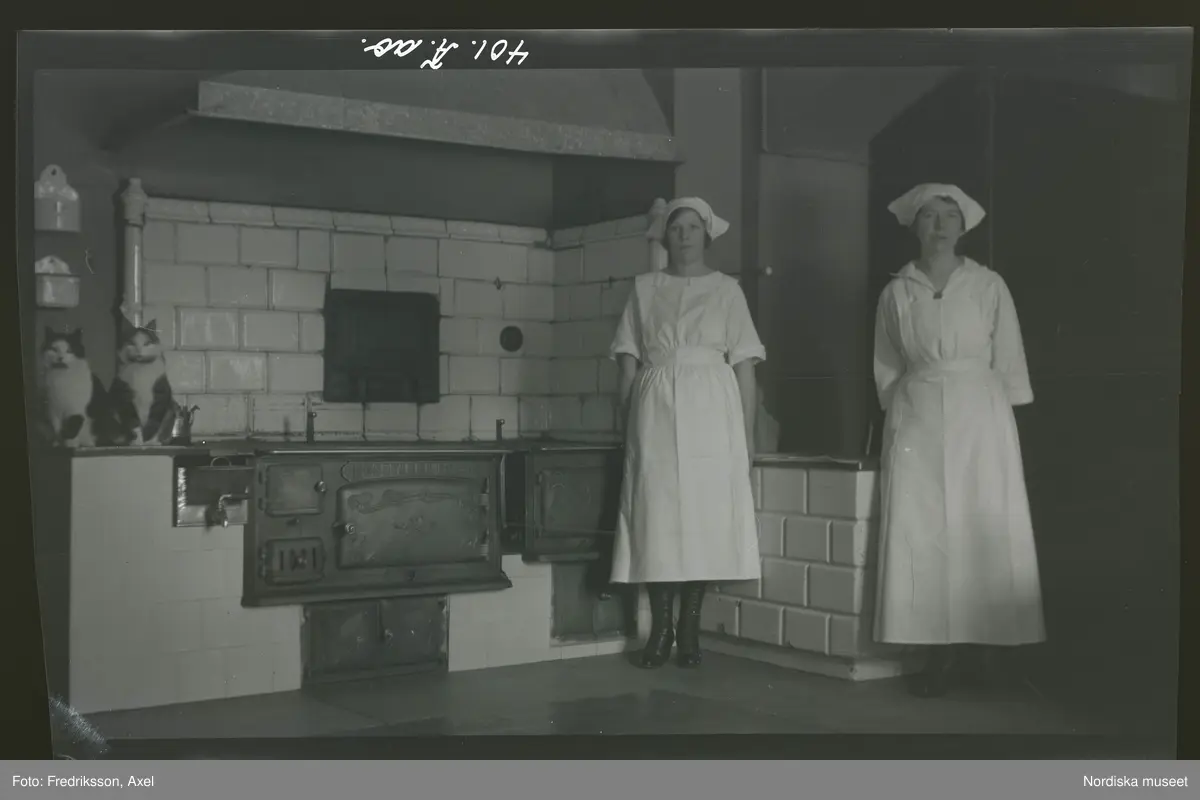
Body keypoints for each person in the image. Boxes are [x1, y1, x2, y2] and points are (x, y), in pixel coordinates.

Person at [872, 183, 1046, 697]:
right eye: (929, 215)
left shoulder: (987, 285)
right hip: (918, 415)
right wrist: (901, 416)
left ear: (963, 226)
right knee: (924, 529)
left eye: (949, 216)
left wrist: (1002, 418)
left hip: (980, 417)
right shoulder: (897, 292)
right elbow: (887, 366)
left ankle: (986, 654)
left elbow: (1008, 357)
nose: (940, 225)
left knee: (982, 526)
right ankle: (938, 654)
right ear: (914, 225)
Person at [609, 197, 766, 669]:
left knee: (703, 518)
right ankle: (661, 629)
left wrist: (748, 436)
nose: (684, 235)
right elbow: (627, 362)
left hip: (713, 410)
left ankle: (690, 627)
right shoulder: (644, 288)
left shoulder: (727, 290)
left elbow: (745, 368)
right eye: (676, 227)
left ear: (707, 234)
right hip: (654, 408)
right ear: (665, 235)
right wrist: (626, 425)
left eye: (693, 227)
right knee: (657, 517)